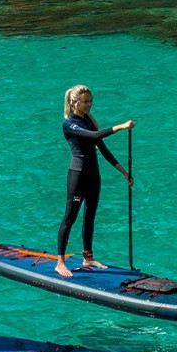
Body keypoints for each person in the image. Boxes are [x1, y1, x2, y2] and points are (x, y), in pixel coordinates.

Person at [56, 85, 134, 278]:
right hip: (77, 175)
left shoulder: (89, 120)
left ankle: (88, 257)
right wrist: (120, 127)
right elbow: (94, 136)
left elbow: (102, 147)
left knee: (90, 215)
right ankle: (60, 262)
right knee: (70, 218)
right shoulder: (69, 124)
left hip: (93, 175)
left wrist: (123, 172)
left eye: (91, 101)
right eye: (86, 101)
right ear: (75, 102)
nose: (90, 104)